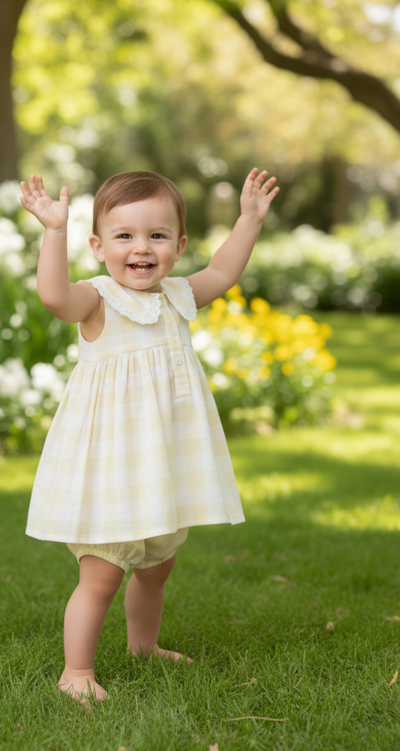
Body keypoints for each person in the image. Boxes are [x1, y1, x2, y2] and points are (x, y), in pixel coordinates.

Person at [20, 168, 279, 701]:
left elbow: (224, 271)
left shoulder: (179, 297)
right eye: (125, 236)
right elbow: (52, 296)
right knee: (102, 575)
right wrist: (52, 230)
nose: (142, 248)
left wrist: (249, 221)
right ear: (97, 246)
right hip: (112, 472)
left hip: (162, 469)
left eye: (157, 236)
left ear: (178, 245)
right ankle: (77, 673)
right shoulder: (97, 301)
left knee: (158, 567)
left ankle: (145, 645)